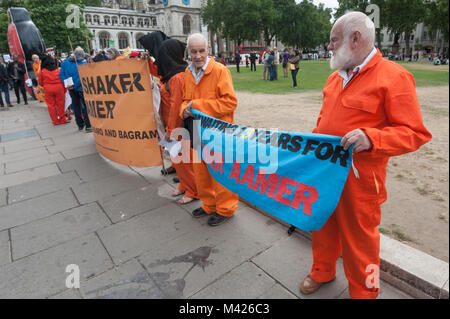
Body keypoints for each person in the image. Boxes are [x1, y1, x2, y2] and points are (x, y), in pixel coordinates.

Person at [299, 11, 432, 299]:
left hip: (361, 182)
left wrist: (372, 138)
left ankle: (365, 292)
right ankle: (322, 270)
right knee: (321, 224)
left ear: (355, 39)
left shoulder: (394, 77)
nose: (329, 47)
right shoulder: (334, 79)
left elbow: (415, 133)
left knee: (361, 242)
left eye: (333, 41)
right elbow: (323, 123)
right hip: (325, 173)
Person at [180, 33, 239, 227]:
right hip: (197, 129)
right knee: (201, 171)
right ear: (188, 51)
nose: (198, 55)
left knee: (220, 172)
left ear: (208, 50)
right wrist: (184, 110)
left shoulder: (220, 71)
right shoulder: (188, 73)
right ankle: (209, 205)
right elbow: (184, 101)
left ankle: (226, 209)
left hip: (218, 131)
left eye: (201, 51)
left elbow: (230, 103)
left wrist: (196, 105)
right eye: (194, 51)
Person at [157, 39, 199, 205]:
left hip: (180, 127)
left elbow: (176, 105)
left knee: (185, 162)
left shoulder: (177, 77)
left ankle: (193, 191)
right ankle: (184, 185)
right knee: (180, 162)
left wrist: (171, 130)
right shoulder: (174, 74)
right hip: (176, 126)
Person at [59, 47, 92, 132]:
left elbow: (61, 74)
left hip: (71, 87)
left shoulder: (65, 62)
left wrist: (68, 83)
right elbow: (83, 76)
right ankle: (88, 126)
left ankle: (80, 125)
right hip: (81, 87)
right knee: (84, 107)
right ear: (82, 54)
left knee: (76, 106)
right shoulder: (83, 62)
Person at [39, 55, 67, 126]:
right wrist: (64, 89)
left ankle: (55, 121)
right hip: (59, 88)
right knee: (61, 104)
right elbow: (63, 79)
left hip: (48, 88)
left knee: (51, 105)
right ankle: (62, 119)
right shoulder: (59, 70)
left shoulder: (42, 71)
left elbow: (40, 83)